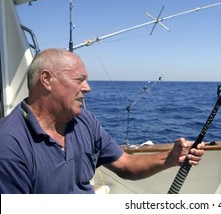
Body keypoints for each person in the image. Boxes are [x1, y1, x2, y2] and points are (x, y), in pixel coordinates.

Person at [0, 48, 205, 194]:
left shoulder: (84, 121)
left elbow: (125, 164)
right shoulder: (9, 144)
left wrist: (170, 158)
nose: (88, 88)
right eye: (79, 80)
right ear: (46, 80)